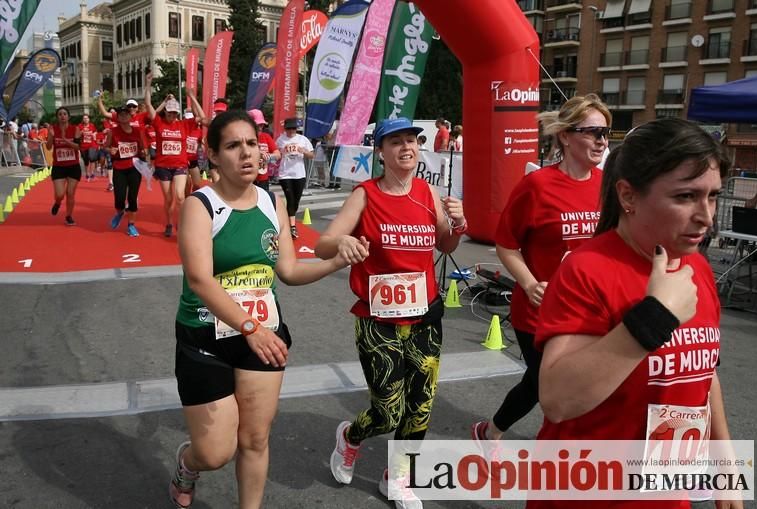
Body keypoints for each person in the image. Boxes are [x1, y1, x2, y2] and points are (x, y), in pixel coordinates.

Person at [526, 118, 740, 509]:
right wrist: (654, 318)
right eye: (685, 197)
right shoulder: (587, 269)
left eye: (712, 197)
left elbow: (704, 374)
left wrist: (727, 468)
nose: (706, 217)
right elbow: (557, 398)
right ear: (628, 196)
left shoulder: (698, 268)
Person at [170, 110, 351, 509]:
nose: (247, 154)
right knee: (215, 453)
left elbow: (287, 270)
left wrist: (336, 262)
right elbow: (200, 280)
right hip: (207, 338)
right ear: (213, 156)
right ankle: (187, 465)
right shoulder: (200, 206)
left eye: (252, 143)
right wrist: (250, 327)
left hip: (262, 336)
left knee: (254, 439)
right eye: (233, 146)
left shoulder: (274, 202)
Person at [315, 117, 467, 506]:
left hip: (425, 319)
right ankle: (350, 437)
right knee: (387, 411)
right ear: (380, 152)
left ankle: (398, 477)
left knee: (420, 408)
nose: (407, 148)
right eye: (395, 141)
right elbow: (323, 245)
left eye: (413, 141)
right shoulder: (365, 195)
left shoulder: (426, 193)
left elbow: (445, 246)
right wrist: (343, 243)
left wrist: (459, 224)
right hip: (378, 320)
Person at [471, 94, 611, 448]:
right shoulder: (537, 186)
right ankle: (494, 433)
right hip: (539, 311)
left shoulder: (608, 186)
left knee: (576, 386)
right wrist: (530, 283)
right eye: (593, 132)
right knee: (544, 384)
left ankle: (550, 444)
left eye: (606, 132)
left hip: (590, 311)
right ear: (565, 135)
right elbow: (506, 244)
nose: (602, 141)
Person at [144, 72, 207, 237]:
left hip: (180, 165)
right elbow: (148, 105)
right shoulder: (158, 123)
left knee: (180, 196)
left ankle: (182, 223)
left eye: (174, 113)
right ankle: (169, 223)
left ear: (178, 113)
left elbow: (202, 116)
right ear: (165, 112)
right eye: (169, 112)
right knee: (169, 198)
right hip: (163, 166)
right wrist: (148, 85)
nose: (172, 116)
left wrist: (192, 97)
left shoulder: (184, 125)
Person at [106, 105, 148, 237]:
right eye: (121, 115)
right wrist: (110, 150)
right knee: (119, 197)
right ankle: (119, 212)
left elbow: (144, 149)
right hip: (119, 167)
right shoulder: (113, 132)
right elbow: (106, 147)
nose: (123, 117)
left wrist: (143, 152)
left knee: (132, 197)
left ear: (131, 116)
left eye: (126, 114)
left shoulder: (138, 131)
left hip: (135, 167)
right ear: (117, 118)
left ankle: (131, 225)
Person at [275, 117, 314, 238]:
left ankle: (288, 219)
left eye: (293, 128)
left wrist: (304, 151)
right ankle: (292, 227)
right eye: (289, 128)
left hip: (299, 174)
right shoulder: (280, 139)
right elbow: (276, 154)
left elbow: (312, 155)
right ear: (285, 129)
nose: (291, 131)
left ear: (296, 129)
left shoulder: (302, 139)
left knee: (296, 201)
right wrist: (278, 154)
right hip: (285, 174)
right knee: (290, 199)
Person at [46, 106, 82, 226]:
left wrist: (65, 140)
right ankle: (57, 202)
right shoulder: (53, 129)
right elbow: (48, 147)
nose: (62, 116)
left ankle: (68, 216)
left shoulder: (75, 129)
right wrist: (50, 136)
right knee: (60, 194)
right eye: (60, 114)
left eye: (65, 114)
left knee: (70, 193)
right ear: (57, 117)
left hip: (73, 166)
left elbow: (78, 147)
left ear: (68, 117)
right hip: (59, 167)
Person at [247, 109, 280, 192]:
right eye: (257, 125)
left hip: (263, 178)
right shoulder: (244, 137)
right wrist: (257, 153)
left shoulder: (266, 137)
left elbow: (278, 155)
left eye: (261, 125)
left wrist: (268, 156)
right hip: (248, 178)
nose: (260, 127)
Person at [184, 110, 204, 192]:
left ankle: (194, 199)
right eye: (187, 119)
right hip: (183, 161)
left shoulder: (199, 132)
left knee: (197, 185)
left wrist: (203, 147)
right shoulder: (183, 129)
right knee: (187, 184)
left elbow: (200, 143)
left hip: (193, 160)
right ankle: (187, 201)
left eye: (191, 119)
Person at [78, 114, 98, 181]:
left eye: (87, 118)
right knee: (86, 160)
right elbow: (77, 135)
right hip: (83, 146)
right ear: (83, 120)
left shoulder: (92, 125)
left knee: (91, 158)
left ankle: (92, 173)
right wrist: (81, 132)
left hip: (92, 145)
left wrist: (94, 134)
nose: (85, 119)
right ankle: (87, 174)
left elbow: (95, 132)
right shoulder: (80, 126)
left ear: (89, 119)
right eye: (84, 118)